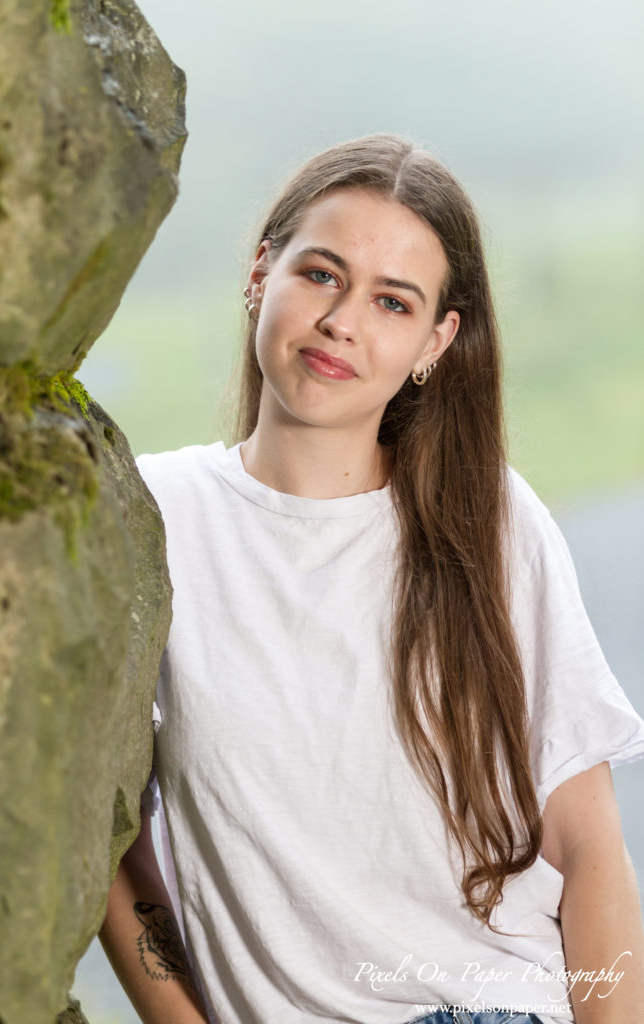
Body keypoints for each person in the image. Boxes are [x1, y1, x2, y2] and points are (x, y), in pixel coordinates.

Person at [99, 134, 644, 1024]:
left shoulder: (490, 521)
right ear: (259, 272)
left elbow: (588, 849)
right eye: (320, 274)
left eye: (392, 302)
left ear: (436, 340)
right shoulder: (150, 516)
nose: (342, 321)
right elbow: (109, 844)